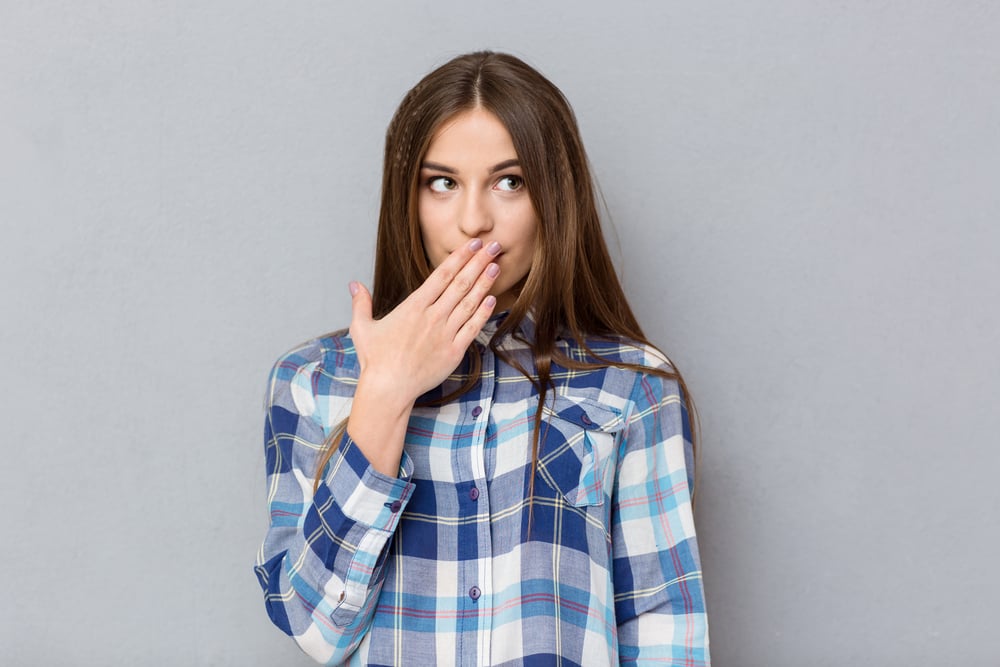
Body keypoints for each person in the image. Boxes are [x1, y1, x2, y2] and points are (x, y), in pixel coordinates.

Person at [254, 51, 709, 666]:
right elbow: (314, 629)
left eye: (509, 181)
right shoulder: (315, 381)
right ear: (406, 199)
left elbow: (664, 630)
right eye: (442, 182)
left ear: (554, 194)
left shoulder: (633, 388)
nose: (473, 220)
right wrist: (386, 391)